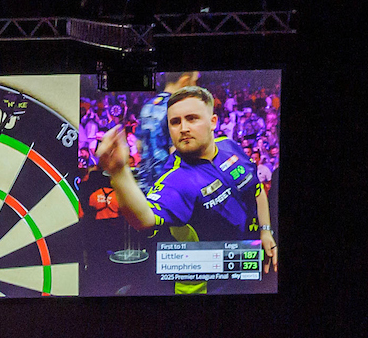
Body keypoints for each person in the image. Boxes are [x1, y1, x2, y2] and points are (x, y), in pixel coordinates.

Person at [95, 83, 276, 284]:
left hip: (255, 262)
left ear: (213, 121)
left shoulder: (230, 146)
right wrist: (119, 172)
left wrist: (266, 230)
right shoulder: (176, 179)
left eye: (192, 119)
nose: (183, 128)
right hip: (213, 285)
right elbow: (144, 219)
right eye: (175, 122)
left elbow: (257, 190)